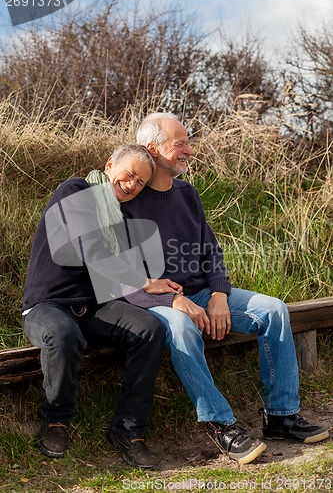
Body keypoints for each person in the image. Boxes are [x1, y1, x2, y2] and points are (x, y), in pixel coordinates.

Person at [120, 113, 330, 466]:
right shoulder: (124, 199)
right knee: (183, 327)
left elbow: (210, 251)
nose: (189, 150)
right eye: (180, 144)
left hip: (203, 293)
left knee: (274, 309)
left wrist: (219, 294)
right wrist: (175, 299)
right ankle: (220, 422)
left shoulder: (187, 193)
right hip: (154, 303)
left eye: (188, 142)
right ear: (152, 149)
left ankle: (280, 416)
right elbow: (120, 278)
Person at [22, 144, 182, 468]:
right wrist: (144, 280)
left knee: (149, 329)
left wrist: (172, 297)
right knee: (63, 334)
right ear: (110, 164)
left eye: (140, 183)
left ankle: (129, 430)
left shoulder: (120, 220)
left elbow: (119, 277)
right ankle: (56, 421)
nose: (132, 184)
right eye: (130, 174)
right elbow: (89, 247)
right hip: (48, 306)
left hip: (94, 307)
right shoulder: (75, 190)